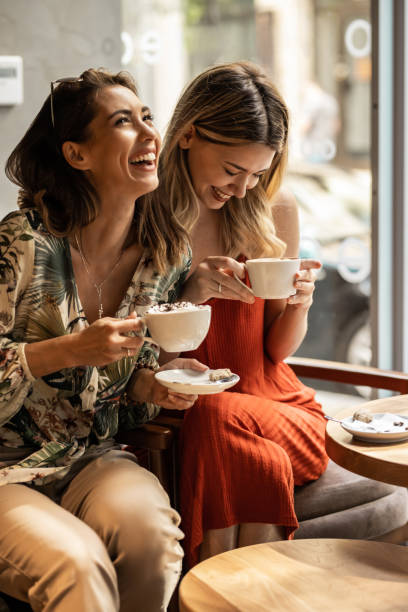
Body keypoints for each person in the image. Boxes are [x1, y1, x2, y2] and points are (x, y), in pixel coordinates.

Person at [0, 68, 207, 611]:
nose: (148, 133)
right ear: (77, 155)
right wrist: (68, 349)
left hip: (90, 459)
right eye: (123, 121)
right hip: (4, 472)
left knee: (151, 541)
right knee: (77, 564)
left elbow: (111, 396)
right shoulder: (19, 245)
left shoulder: (166, 257)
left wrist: (151, 388)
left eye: (147, 118)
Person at [145, 61, 329, 568]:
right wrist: (190, 293)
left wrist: (300, 304)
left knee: (213, 414)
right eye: (232, 170)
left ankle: (212, 594)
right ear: (187, 135)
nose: (244, 189)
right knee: (210, 416)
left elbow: (276, 351)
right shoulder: (146, 211)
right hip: (183, 409)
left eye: (258, 174)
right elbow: (141, 353)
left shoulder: (275, 209)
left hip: (281, 411)